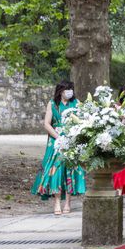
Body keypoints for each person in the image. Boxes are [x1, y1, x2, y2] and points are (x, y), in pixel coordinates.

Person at [31, 80, 86, 215]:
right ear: (60, 91)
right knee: (55, 170)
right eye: (67, 89)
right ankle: (56, 202)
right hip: (56, 142)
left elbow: (83, 121)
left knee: (70, 169)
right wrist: (58, 137)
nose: (70, 92)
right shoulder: (52, 104)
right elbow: (47, 124)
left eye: (71, 89)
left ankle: (67, 202)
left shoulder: (76, 103)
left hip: (72, 140)